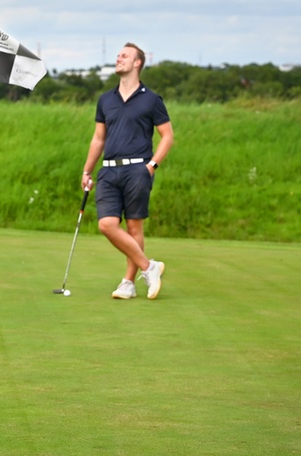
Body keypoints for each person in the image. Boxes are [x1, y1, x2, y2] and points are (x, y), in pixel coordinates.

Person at [80, 42, 174, 300]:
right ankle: (149, 267)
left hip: (137, 169)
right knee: (107, 224)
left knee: (134, 228)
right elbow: (98, 139)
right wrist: (87, 170)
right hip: (108, 171)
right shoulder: (105, 100)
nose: (118, 58)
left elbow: (167, 136)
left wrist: (152, 166)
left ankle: (128, 283)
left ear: (137, 63)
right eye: (118, 55)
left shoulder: (151, 99)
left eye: (125, 56)